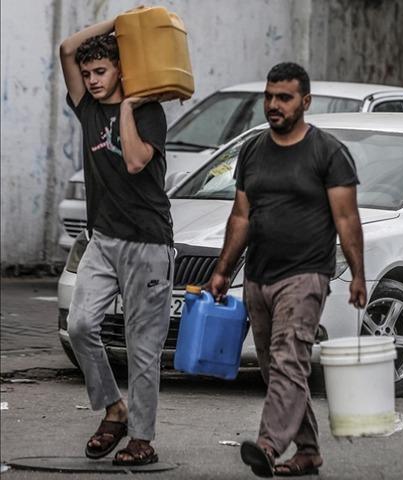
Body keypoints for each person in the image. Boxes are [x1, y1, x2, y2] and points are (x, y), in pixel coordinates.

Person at [206, 62, 366, 478]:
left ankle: (268, 444)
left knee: (288, 360)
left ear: (305, 102)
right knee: (277, 367)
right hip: (258, 275)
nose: (273, 105)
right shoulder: (254, 150)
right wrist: (223, 270)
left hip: (306, 274)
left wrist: (359, 276)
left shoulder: (327, 152)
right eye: (269, 97)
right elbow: (241, 216)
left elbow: (347, 219)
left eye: (284, 98)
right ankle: (309, 450)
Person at [59, 18, 172, 466]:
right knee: (82, 326)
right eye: (88, 75)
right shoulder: (86, 106)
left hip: (148, 242)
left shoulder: (149, 112)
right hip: (102, 240)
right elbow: (68, 48)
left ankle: (141, 438)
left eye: (101, 72)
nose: (92, 81)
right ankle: (114, 408)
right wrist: (122, 22)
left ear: (121, 70)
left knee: (142, 346)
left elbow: (134, 162)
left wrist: (126, 109)